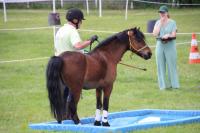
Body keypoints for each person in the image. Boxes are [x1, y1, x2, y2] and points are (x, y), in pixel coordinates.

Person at [153, 5, 180, 90]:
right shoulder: (158, 22)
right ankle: (163, 86)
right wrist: (160, 23)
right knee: (160, 66)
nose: (161, 14)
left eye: (163, 12)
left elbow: (174, 34)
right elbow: (155, 34)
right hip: (160, 46)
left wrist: (168, 35)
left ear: (167, 13)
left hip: (170, 46)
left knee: (172, 66)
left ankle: (174, 85)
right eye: (160, 12)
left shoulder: (172, 22)